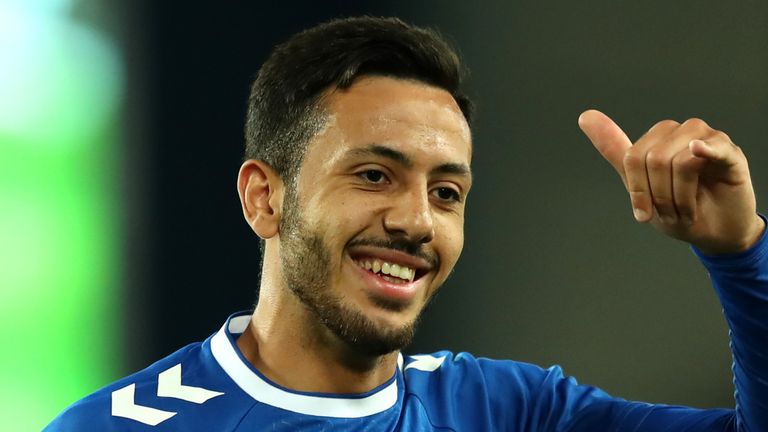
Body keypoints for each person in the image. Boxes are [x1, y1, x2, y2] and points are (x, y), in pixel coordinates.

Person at [45, 16, 767, 431]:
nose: (417, 221)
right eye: (373, 175)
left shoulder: (509, 412)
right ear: (265, 198)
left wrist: (741, 254)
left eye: (448, 192)